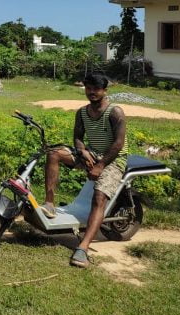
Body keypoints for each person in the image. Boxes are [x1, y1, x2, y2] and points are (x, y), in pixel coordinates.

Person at [42, 72, 127, 268]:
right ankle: (49, 203)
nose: (92, 92)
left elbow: (118, 144)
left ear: (105, 90)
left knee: (99, 197)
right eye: (88, 88)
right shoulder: (82, 112)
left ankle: (83, 248)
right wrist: (82, 151)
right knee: (54, 153)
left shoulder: (115, 112)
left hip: (113, 159)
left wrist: (100, 165)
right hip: (91, 153)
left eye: (96, 89)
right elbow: (78, 137)